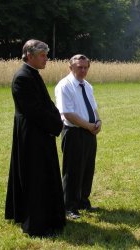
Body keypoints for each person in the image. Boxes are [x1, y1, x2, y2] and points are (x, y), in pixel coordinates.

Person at [5, 39, 66, 236]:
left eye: (46, 55)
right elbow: (34, 111)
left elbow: (47, 104)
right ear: (29, 56)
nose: (46, 58)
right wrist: (56, 125)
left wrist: (57, 118)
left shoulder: (33, 75)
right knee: (35, 178)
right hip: (32, 136)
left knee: (44, 175)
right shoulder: (22, 77)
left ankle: (49, 217)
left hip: (41, 133)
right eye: (42, 55)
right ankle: (36, 224)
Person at [55, 54, 101, 219]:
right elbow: (67, 114)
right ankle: (69, 207)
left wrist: (98, 121)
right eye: (79, 67)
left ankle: (83, 201)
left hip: (89, 133)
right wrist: (89, 126)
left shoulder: (87, 85)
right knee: (72, 170)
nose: (83, 70)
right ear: (70, 67)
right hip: (73, 132)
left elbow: (93, 107)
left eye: (85, 67)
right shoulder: (64, 86)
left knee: (87, 168)